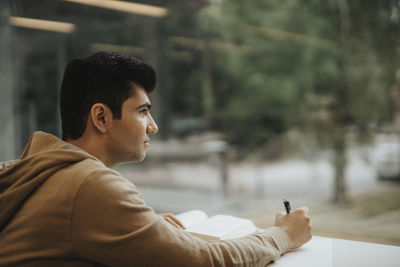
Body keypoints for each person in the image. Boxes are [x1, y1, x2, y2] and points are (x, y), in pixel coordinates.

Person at [0, 51, 311, 266]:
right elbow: (206, 262)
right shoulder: (90, 185)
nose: (154, 126)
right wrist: (283, 235)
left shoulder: (37, 169)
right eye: (143, 111)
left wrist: (138, 230)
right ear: (101, 117)